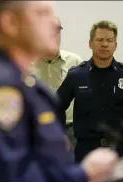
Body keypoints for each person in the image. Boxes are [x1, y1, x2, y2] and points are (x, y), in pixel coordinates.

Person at [0, 1, 118, 182]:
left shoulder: (24, 82)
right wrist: (83, 174)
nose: (54, 24)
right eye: (42, 13)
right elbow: (10, 175)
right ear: (10, 23)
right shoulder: (0, 87)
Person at [57, 20, 123, 163]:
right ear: (90, 43)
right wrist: (60, 134)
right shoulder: (76, 75)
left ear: (115, 45)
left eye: (109, 40)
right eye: (100, 40)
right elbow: (56, 106)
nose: (104, 44)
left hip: (120, 152)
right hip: (86, 151)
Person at [32, 17, 83, 153]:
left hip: (70, 131)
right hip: (37, 130)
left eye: (57, 31)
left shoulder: (75, 62)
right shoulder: (27, 63)